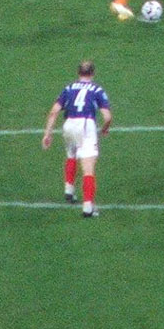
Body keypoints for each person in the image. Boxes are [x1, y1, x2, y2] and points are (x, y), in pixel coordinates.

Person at [41, 60, 113, 217]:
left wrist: (48, 133)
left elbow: (54, 112)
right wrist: (105, 129)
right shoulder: (97, 90)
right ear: (93, 74)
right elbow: (107, 117)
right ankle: (88, 207)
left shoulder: (68, 88)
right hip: (86, 125)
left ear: (78, 73)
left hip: (69, 124)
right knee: (88, 167)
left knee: (71, 154)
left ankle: (69, 190)